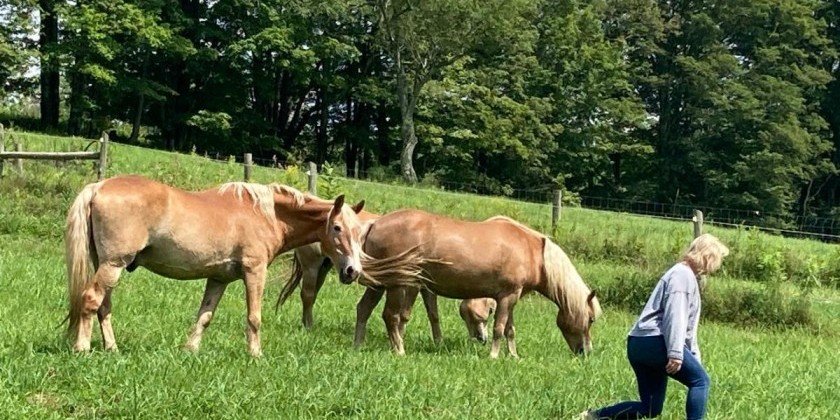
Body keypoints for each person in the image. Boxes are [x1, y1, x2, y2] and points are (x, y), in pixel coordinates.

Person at [579, 233, 730, 420]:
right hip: (654, 342)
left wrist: (693, 358)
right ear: (709, 257)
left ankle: (594, 416)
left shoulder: (682, 274)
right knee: (700, 381)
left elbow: (688, 329)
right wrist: (676, 353)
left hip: (638, 343)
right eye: (718, 259)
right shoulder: (683, 276)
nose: (718, 266)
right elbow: (675, 317)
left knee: (650, 408)